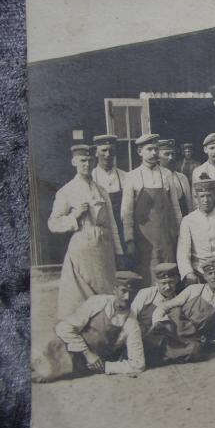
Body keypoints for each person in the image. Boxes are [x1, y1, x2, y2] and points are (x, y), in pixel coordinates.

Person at [49, 144, 124, 318]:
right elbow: (53, 223)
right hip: (82, 247)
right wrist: (74, 216)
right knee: (81, 295)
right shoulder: (66, 191)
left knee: (106, 290)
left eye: (90, 160)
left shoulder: (102, 190)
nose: (87, 164)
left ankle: (104, 331)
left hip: (104, 249)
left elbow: (112, 222)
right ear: (74, 162)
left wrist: (118, 250)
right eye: (83, 161)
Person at [32, 271, 145, 383]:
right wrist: (88, 354)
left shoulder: (131, 324)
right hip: (62, 344)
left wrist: (106, 367)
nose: (127, 297)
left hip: (80, 364)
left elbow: (138, 364)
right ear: (115, 289)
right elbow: (64, 328)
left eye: (133, 293)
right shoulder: (98, 302)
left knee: (46, 373)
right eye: (123, 291)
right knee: (33, 356)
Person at [121, 133, 183, 287]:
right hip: (145, 240)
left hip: (167, 237)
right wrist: (129, 240)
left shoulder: (167, 175)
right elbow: (126, 212)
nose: (154, 153)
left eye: (156, 149)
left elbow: (176, 207)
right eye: (149, 149)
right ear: (140, 152)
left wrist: (180, 233)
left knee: (169, 275)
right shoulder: (132, 177)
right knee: (148, 276)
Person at [149, 259, 215, 352]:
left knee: (194, 350)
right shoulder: (193, 289)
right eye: (210, 273)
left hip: (191, 341)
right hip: (171, 330)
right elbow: (164, 306)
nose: (214, 277)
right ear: (205, 277)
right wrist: (158, 322)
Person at [130, 263, 206, 366]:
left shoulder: (180, 297)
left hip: (169, 344)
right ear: (156, 282)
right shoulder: (146, 294)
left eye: (171, 282)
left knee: (196, 349)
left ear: (176, 280)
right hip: (147, 338)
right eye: (164, 283)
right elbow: (131, 316)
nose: (168, 287)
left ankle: (157, 359)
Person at [177, 178, 215, 286]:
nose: (206, 200)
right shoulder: (188, 221)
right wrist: (188, 273)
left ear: (214, 196)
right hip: (198, 272)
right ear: (196, 198)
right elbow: (183, 252)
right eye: (202, 196)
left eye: (209, 195)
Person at [91, 134, 127, 243]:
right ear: (96, 153)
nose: (108, 154)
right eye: (103, 150)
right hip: (101, 232)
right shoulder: (91, 177)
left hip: (122, 231)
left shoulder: (125, 176)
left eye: (111, 151)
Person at [158, 138, 193, 216]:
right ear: (158, 157)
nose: (171, 157)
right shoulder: (155, 178)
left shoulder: (182, 178)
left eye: (172, 154)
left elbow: (190, 207)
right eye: (167, 154)